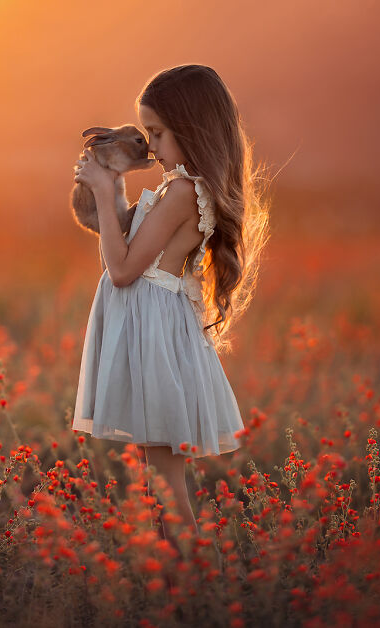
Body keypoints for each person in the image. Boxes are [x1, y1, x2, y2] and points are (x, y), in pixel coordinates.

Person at [70, 64, 271, 550]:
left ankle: (201, 598)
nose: (152, 146)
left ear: (192, 129)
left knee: (166, 487)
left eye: (158, 133)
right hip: (148, 332)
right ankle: (182, 594)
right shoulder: (173, 189)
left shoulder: (183, 192)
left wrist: (101, 188)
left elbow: (122, 269)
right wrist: (110, 187)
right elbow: (118, 242)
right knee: (158, 485)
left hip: (154, 338)